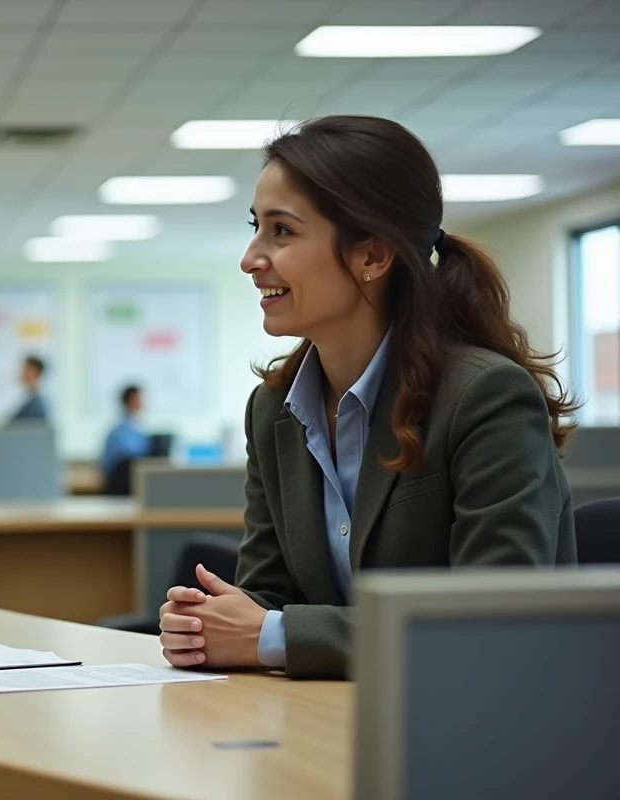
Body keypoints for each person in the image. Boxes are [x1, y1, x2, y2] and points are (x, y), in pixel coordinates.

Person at [158, 115, 577, 680]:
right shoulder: (273, 410)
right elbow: (268, 595)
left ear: (374, 256)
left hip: (481, 726)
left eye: (282, 231)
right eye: (256, 226)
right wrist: (211, 620)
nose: (251, 257)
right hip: (333, 719)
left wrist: (272, 636)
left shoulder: (486, 397)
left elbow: (490, 619)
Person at [101, 384, 151, 483]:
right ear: (128, 402)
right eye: (137, 399)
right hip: (121, 483)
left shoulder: (139, 429)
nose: (141, 403)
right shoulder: (118, 432)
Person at [8, 354, 49, 424]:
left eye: (25, 369)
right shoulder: (31, 400)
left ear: (34, 372)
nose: (21, 372)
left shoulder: (36, 406)